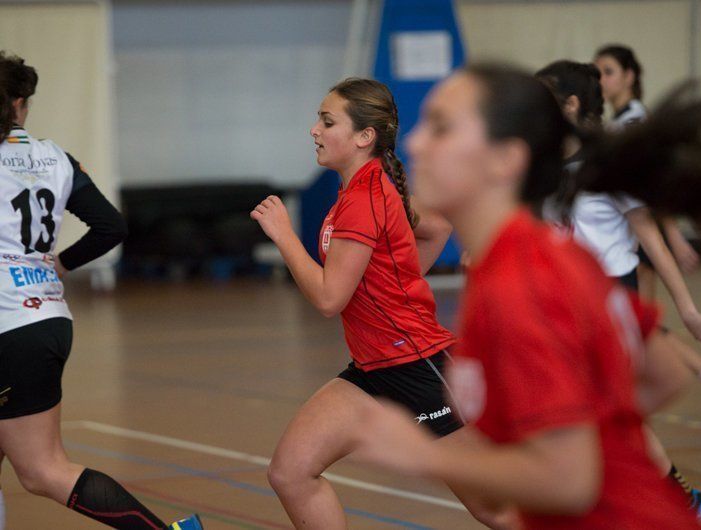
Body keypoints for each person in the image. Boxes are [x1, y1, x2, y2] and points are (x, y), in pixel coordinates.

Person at [354, 62, 701, 529]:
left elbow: (568, 483)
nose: (417, 142)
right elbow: (666, 375)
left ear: (505, 158)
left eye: (441, 127)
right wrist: (591, 430)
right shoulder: (550, 252)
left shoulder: (519, 286)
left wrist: (424, 456)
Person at [249, 78, 491, 529]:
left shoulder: (365, 198)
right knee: (291, 472)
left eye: (327, 121)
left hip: (420, 368)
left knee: (496, 511)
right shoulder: (366, 190)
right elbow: (436, 227)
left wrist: (284, 237)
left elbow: (327, 298)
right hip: (371, 368)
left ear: (365, 136)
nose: (314, 131)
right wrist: (394, 285)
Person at [0, 51, 201, 530]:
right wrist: (62, 264)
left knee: (43, 471)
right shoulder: (55, 158)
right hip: (46, 316)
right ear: (20, 104)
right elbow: (111, 226)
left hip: (9, 328)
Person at [594, 44, 701, 291]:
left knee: (642, 315)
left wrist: (674, 236)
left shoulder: (634, 121)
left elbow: (655, 181)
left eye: (608, 71)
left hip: (643, 224)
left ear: (629, 76)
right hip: (630, 227)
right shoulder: (616, 123)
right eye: (597, 73)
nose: (601, 80)